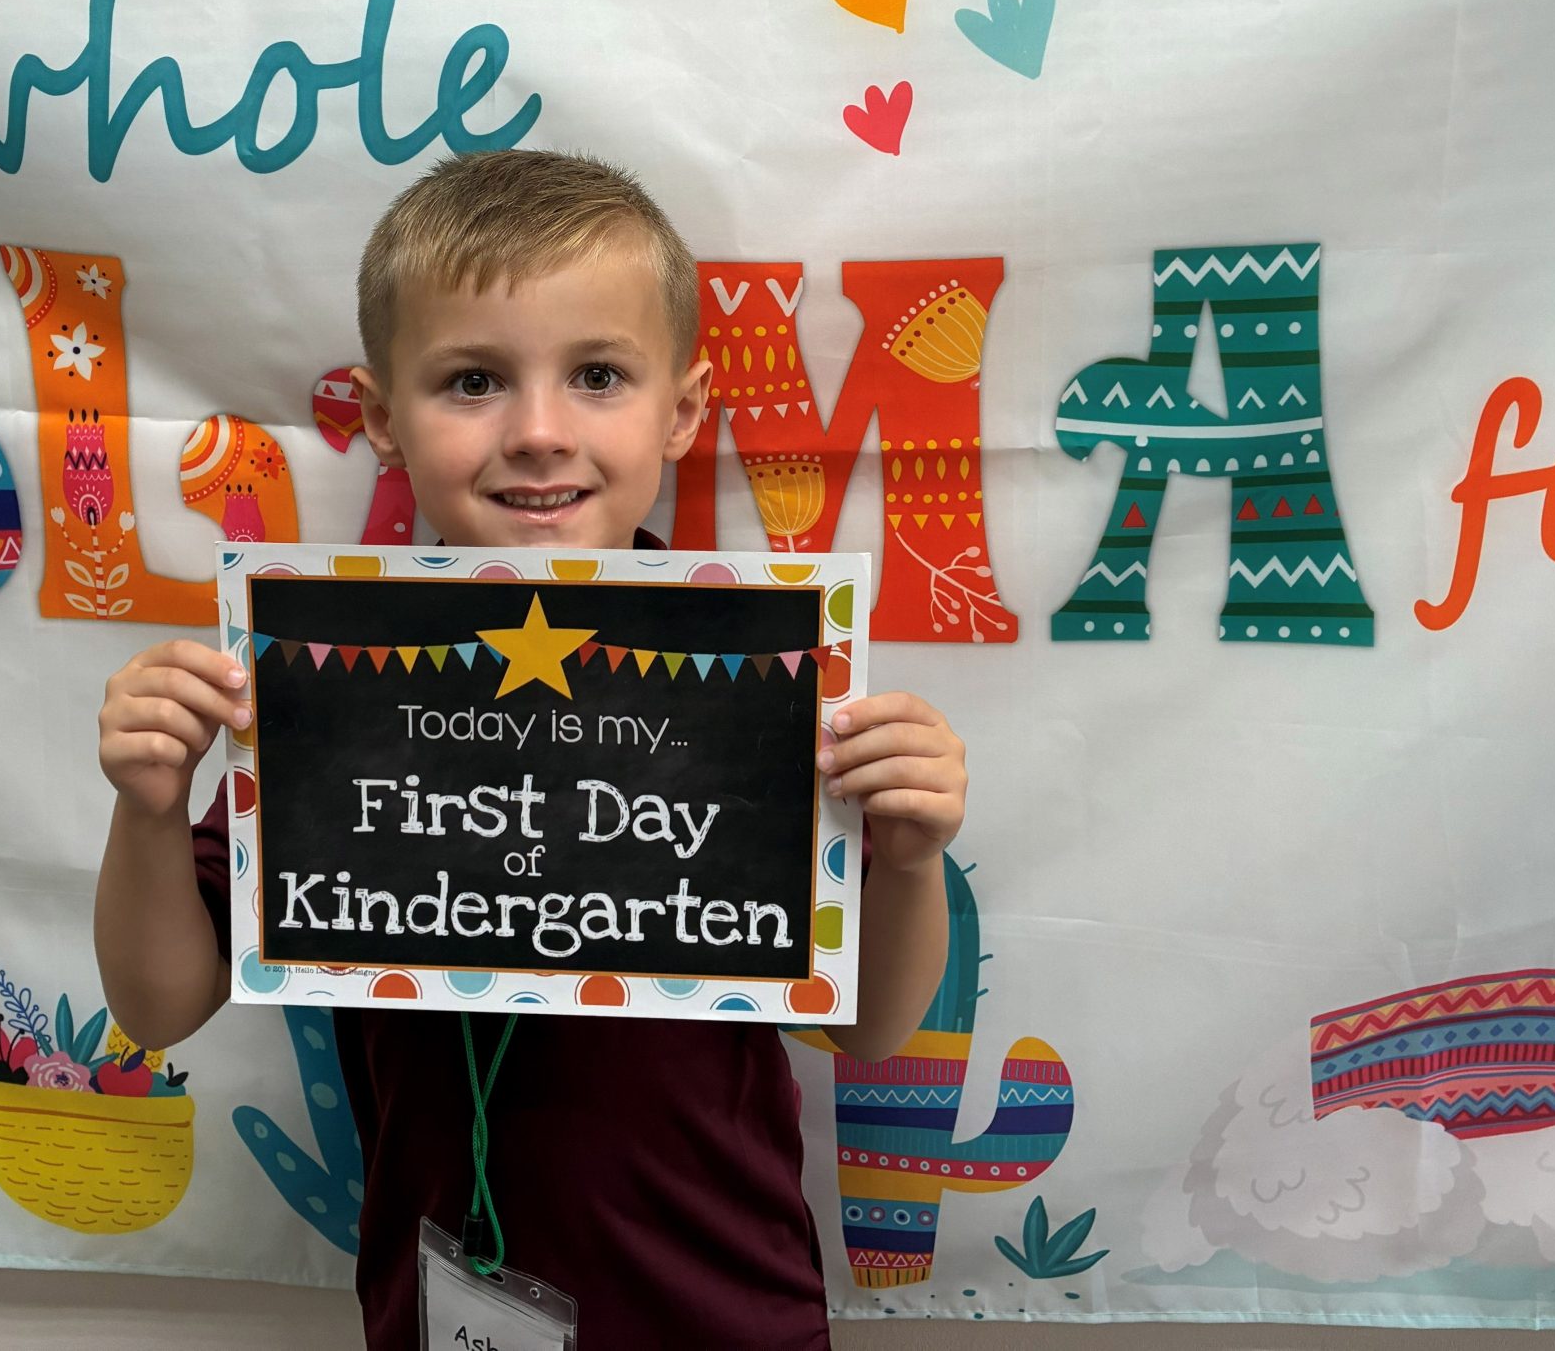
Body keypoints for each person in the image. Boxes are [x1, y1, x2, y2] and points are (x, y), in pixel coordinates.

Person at [93, 148, 967, 1348]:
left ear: (686, 411)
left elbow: (863, 1031)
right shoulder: (326, 679)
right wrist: (147, 810)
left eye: (598, 374)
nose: (539, 432)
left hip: (726, 1312)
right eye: (472, 382)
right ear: (380, 419)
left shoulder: (766, 672)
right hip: (438, 1310)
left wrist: (908, 861)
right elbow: (157, 1005)